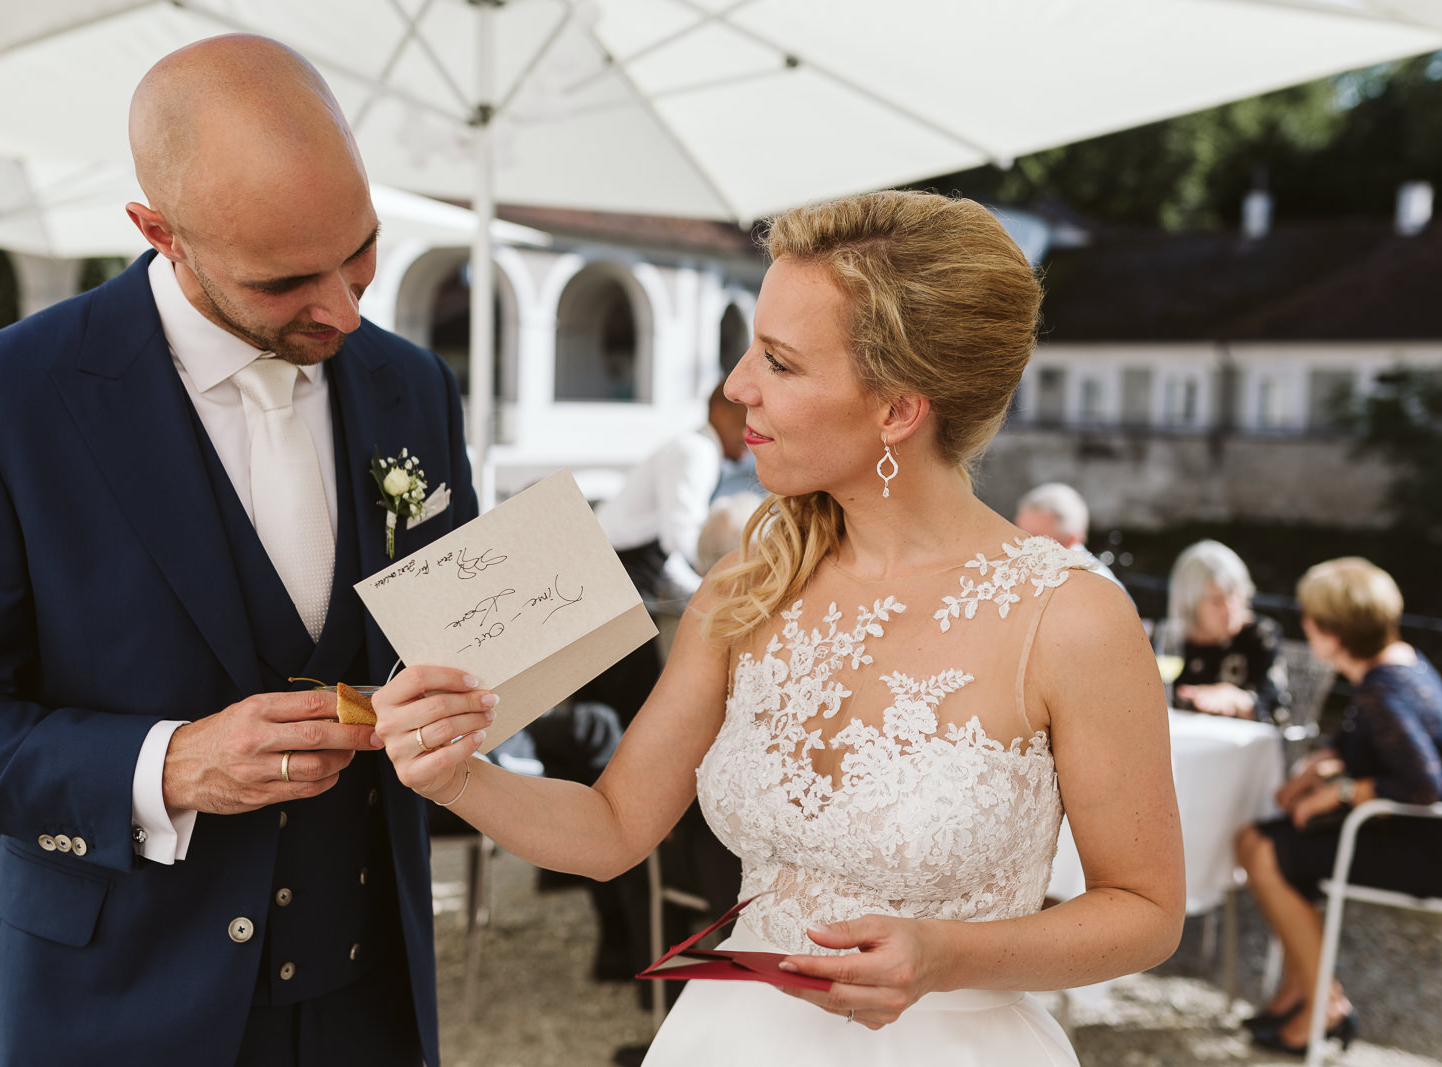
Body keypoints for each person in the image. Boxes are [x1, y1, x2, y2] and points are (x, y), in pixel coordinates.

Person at [373, 190, 1184, 1065]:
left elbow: (1146, 910)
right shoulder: (748, 585)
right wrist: (457, 776)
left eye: (780, 362)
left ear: (897, 409)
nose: (737, 385)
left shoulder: (1070, 618)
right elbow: (611, 826)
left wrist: (949, 955)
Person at [0, 36, 474, 1067]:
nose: (344, 308)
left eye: (362, 250)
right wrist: (166, 765)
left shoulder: (413, 384)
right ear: (161, 233)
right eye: (286, 280)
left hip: (368, 998)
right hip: (111, 1007)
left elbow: (457, 633)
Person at [1234, 557, 1442, 1055]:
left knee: (1266, 852)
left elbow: (1424, 785)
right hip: (1410, 832)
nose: (1305, 627)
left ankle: (1323, 1007)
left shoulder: (1386, 688)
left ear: (1332, 634)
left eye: (1310, 619)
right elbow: (1373, 747)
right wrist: (1322, 767)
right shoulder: (1393, 666)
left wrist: (1340, 792)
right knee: (1256, 840)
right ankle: (1307, 992)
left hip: (1436, 851)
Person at [596, 381, 751, 614]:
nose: (751, 437)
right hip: (618, 567)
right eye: (746, 424)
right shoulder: (696, 452)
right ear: (720, 412)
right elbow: (679, 537)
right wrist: (717, 584)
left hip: (627, 564)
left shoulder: (696, 448)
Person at [1164, 539, 1289, 720]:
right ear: (1191, 604)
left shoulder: (1259, 635)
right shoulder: (1173, 641)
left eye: (1233, 595)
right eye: (1216, 601)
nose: (1228, 608)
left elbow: (1277, 711)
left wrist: (1235, 698)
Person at [1013, 481, 1124, 590]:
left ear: (1071, 540)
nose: (1022, 545)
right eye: (1019, 534)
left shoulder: (1098, 586)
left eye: (1036, 539)